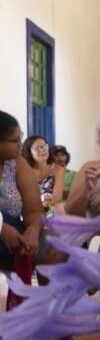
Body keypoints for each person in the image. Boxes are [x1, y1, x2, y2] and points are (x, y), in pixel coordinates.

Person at [0, 111, 43, 307]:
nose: (20, 144)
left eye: (21, 137)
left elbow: (33, 209)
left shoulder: (17, 164)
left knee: (53, 247)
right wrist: (1, 228)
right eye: (14, 140)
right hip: (4, 230)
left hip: (17, 230)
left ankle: (48, 313)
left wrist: (33, 231)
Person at [21, 135, 64, 216]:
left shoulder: (58, 169)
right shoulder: (25, 170)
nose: (42, 150)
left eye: (44, 146)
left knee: (59, 207)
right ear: (29, 151)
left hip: (50, 206)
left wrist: (47, 202)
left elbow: (57, 196)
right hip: (30, 210)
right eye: (37, 148)